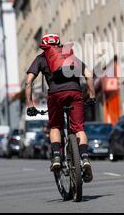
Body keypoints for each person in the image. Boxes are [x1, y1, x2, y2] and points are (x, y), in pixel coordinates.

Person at [25, 33, 96, 183]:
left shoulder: (41, 58)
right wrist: (92, 96)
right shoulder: (69, 56)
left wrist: (30, 105)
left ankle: (57, 156)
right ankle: (84, 159)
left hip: (55, 94)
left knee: (55, 126)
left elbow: (28, 82)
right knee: (78, 128)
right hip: (75, 91)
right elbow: (89, 74)